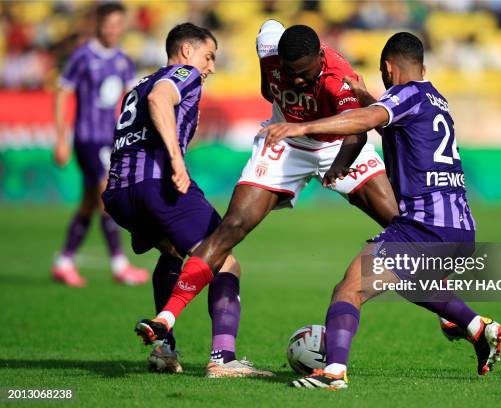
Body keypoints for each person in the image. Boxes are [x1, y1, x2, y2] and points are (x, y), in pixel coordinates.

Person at [133, 21, 403, 377]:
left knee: (403, 225)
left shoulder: (339, 76)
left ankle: (462, 316)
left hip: (338, 145)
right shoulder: (268, 50)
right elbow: (267, 91)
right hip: (285, 140)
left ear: (321, 58)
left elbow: (357, 129)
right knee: (231, 227)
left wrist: (337, 168)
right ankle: (167, 319)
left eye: (306, 75)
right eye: (292, 74)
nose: (299, 81)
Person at [261, 32, 501, 389]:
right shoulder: (436, 100)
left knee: (349, 290)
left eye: (382, 72)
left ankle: (333, 373)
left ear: (389, 67)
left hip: (425, 227)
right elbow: (389, 122)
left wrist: (302, 127)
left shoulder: (404, 94)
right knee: (415, 284)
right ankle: (477, 327)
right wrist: (364, 97)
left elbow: (365, 120)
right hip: (460, 229)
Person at [102, 22, 271, 377]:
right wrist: (176, 160)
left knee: (173, 255)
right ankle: (223, 359)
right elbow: (160, 99)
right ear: (186, 51)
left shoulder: (136, 86)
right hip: (158, 183)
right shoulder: (184, 74)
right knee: (224, 261)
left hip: (120, 194)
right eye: (209, 56)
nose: (210, 67)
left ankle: (164, 350)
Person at [52, 2, 148, 287]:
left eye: (119, 24)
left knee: (88, 204)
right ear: (99, 25)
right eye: (109, 24)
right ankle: (119, 265)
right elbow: (61, 93)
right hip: (87, 138)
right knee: (108, 198)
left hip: (110, 140)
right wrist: (60, 138)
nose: (114, 30)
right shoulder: (83, 56)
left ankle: (64, 261)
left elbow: (133, 99)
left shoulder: (122, 59)